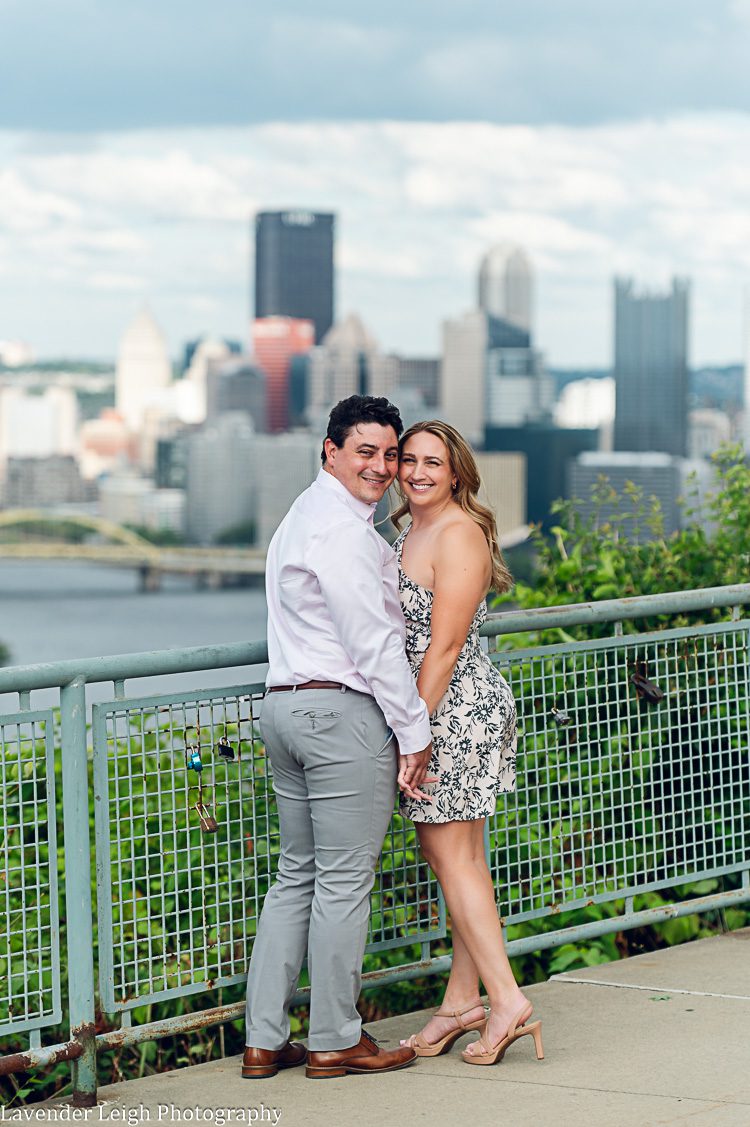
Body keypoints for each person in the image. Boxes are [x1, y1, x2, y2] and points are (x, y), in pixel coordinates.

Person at [243, 395, 434, 1081]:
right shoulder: (348, 536)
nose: (381, 467)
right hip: (340, 716)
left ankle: (264, 1039)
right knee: (344, 881)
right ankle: (334, 1036)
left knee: (296, 874)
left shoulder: (301, 515)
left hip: (284, 710)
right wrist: (415, 733)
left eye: (390, 453)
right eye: (366, 451)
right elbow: (377, 646)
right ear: (330, 450)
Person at [393, 420, 543, 1067]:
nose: (419, 471)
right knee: (464, 863)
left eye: (434, 461)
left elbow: (446, 646)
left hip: (452, 711)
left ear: (457, 472)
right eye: (409, 459)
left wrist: (413, 731)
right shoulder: (413, 527)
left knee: (449, 854)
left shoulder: (457, 531)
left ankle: (507, 1000)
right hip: (445, 706)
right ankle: (461, 1001)